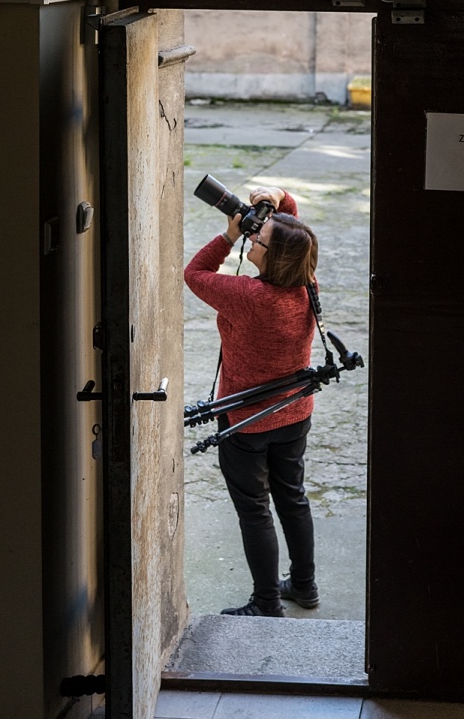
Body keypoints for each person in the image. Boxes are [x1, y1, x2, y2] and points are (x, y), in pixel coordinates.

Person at [184, 185, 320, 617]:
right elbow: (292, 228)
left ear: (271, 256)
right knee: (292, 497)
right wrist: (276, 197)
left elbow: (195, 273)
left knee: (255, 510)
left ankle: (265, 602)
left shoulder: (248, 298)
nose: (252, 237)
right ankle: (303, 586)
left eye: (257, 239)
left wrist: (227, 236)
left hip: (245, 423)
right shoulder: (305, 280)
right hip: (294, 413)